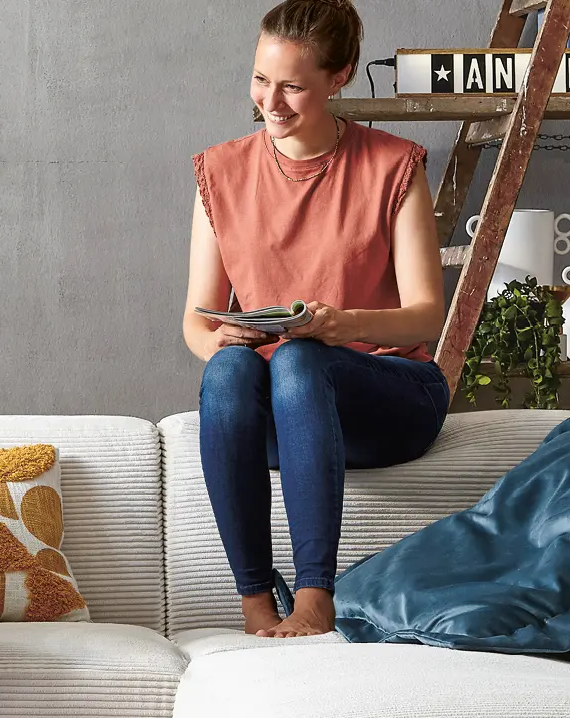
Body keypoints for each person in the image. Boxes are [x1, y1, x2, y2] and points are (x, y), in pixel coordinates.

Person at [181, 0, 451, 638]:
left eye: (293, 86)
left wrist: (337, 324)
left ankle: (314, 599)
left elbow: (424, 318)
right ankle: (254, 605)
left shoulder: (394, 166)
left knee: (301, 359)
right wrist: (228, 334)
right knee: (226, 369)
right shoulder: (219, 172)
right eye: (260, 80)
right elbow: (195, 324)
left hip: (389, 394)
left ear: (340, 78)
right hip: (283, 411)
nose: (270, 102)